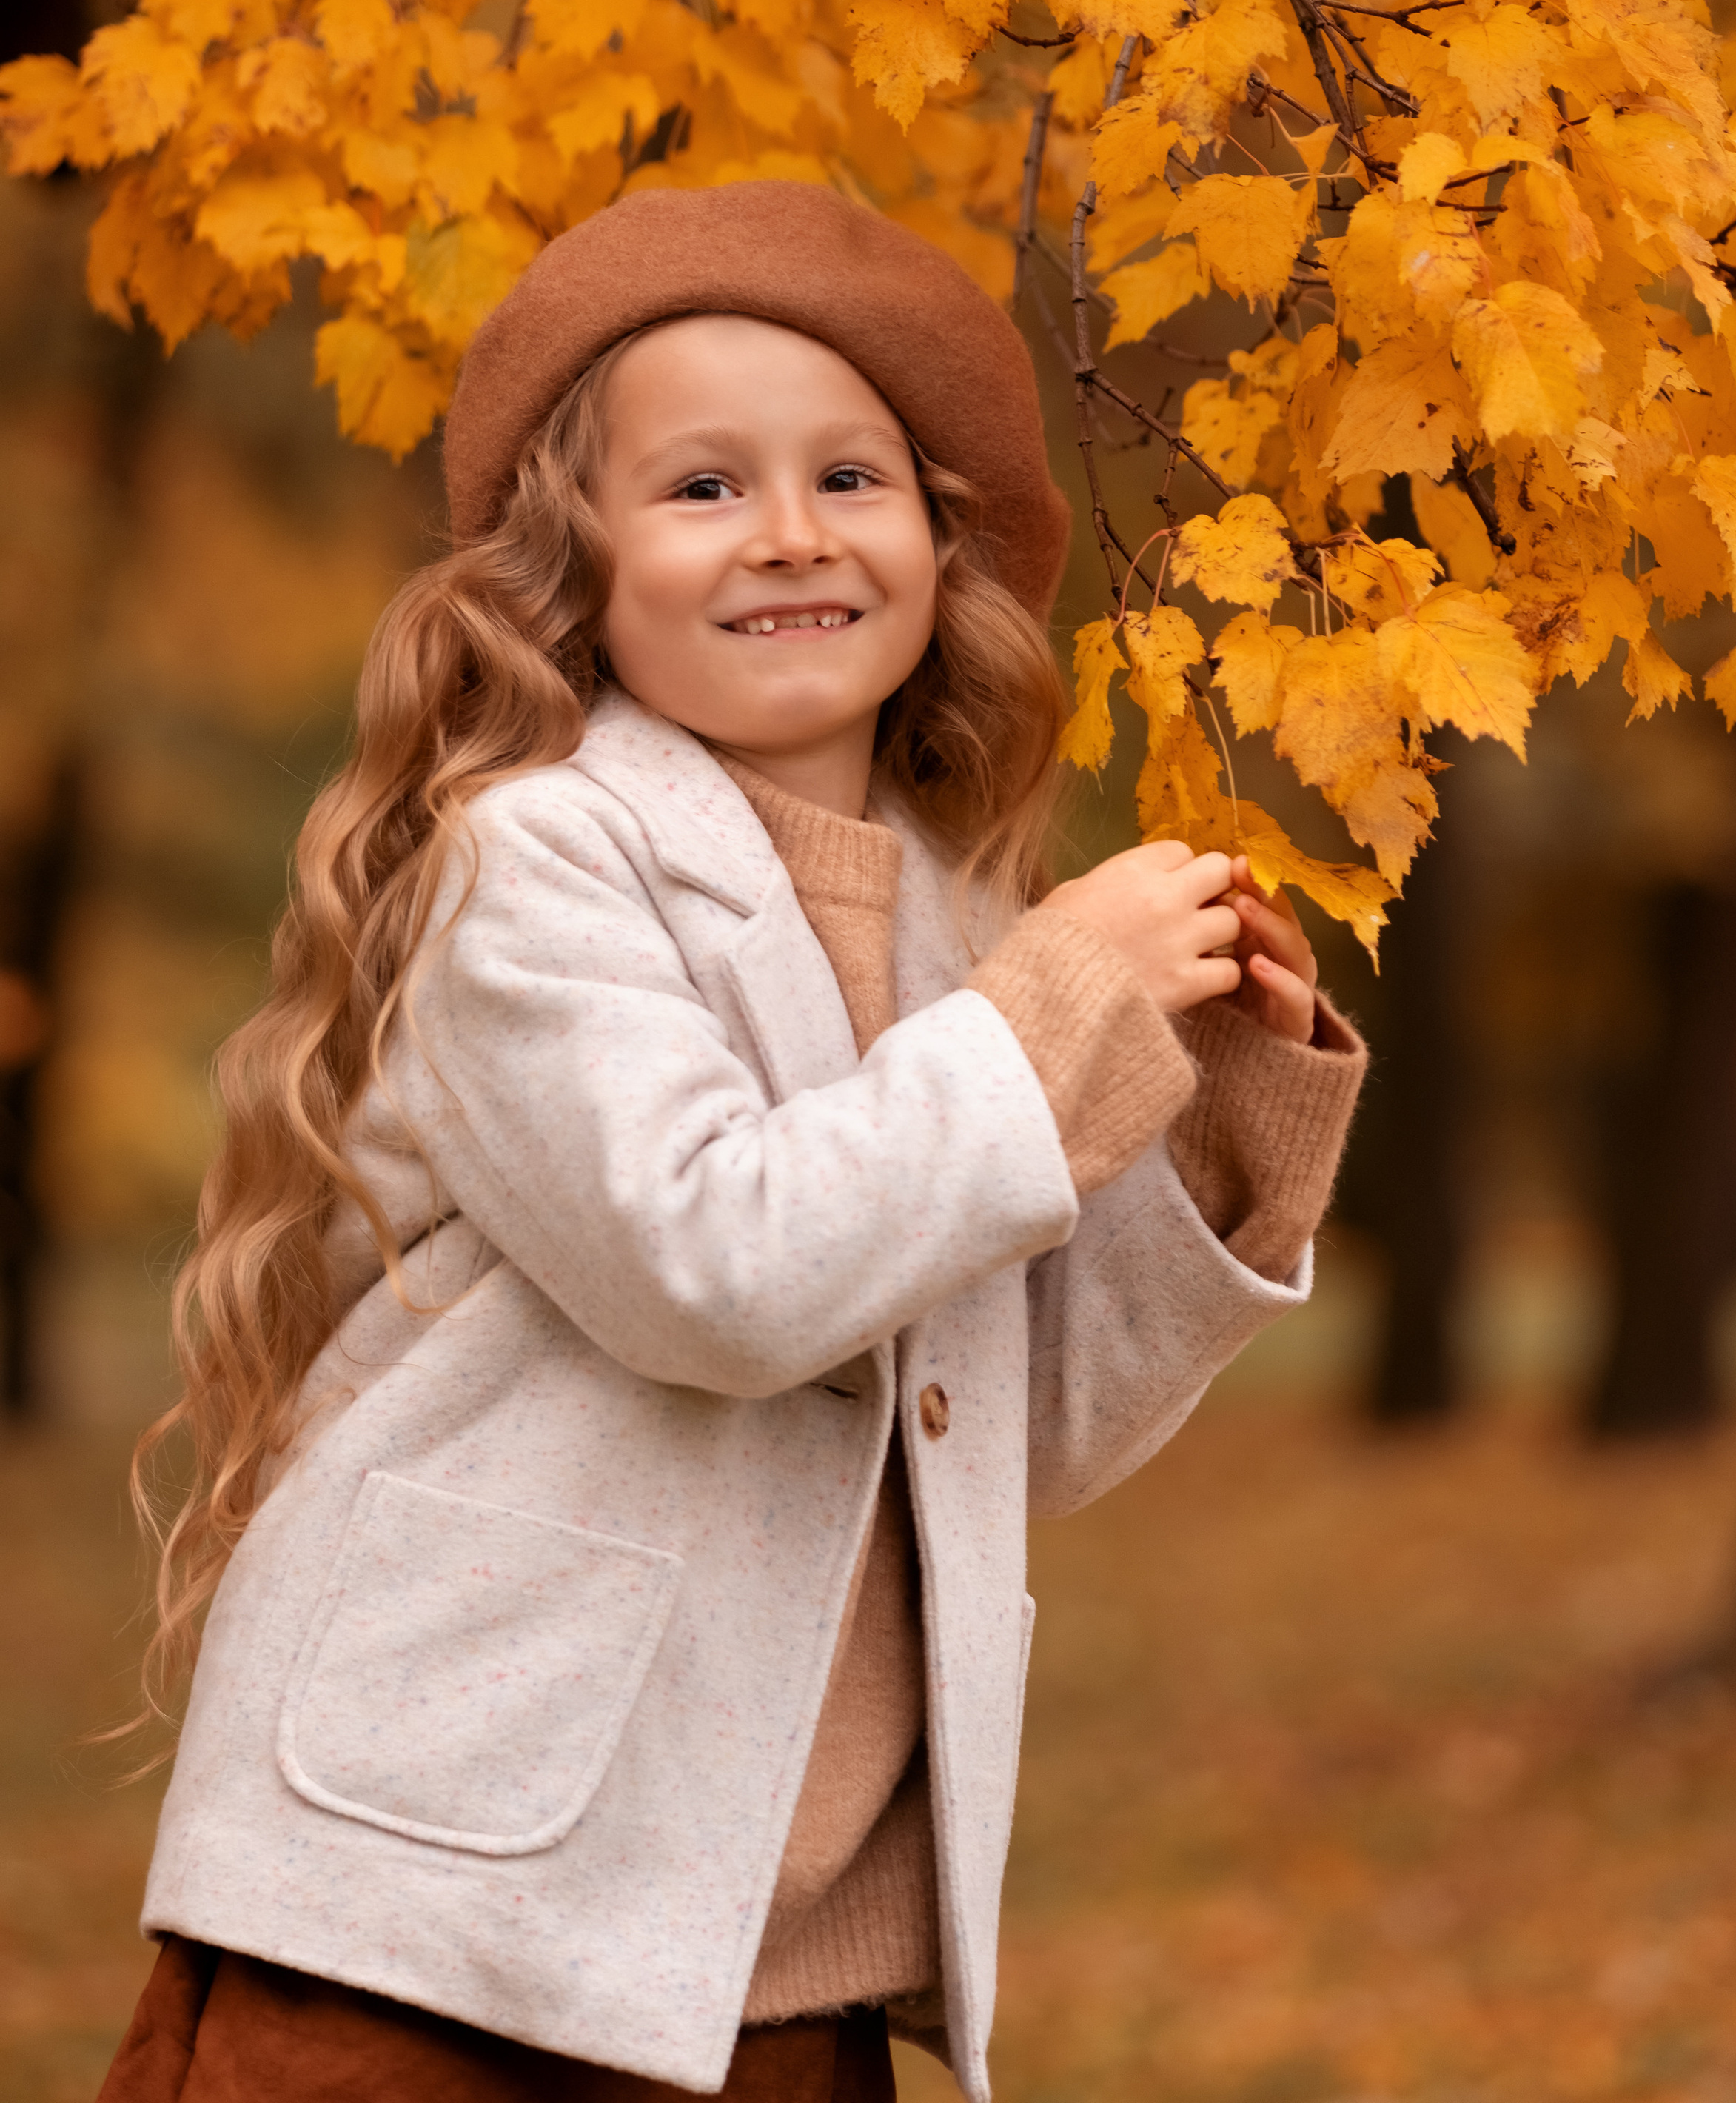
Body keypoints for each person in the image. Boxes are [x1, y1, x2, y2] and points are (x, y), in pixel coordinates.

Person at [100, 181, 1364, 2103]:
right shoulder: (535, 863)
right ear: (574, 563)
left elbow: (1008, 1432)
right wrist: (1049, 1020)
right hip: (449, 1911)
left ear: (940, 545)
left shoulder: (950, 925)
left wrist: (1215, 1129)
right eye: (703, 487)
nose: (790, 532)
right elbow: (721, 1267)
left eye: (851, 478)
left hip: (762, 1961)